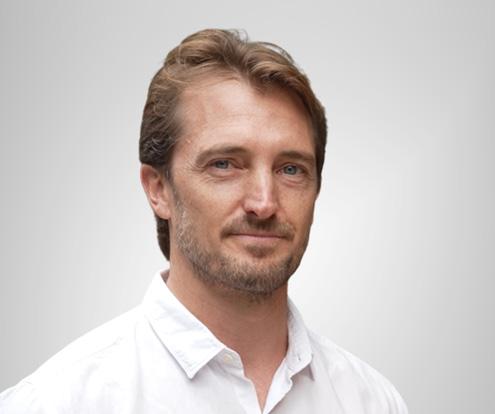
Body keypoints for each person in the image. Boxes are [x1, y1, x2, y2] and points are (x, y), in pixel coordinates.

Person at [0, 29, 408, 413]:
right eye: (225, 164)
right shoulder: (59, 402)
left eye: (290, 169)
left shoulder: (371, 401)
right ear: (158, 189)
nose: (264, 203)